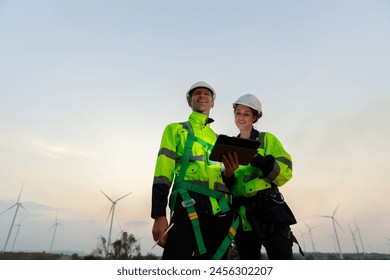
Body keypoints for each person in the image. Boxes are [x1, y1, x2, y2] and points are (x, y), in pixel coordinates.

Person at [151, 81, 237, 260]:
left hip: (219, 213)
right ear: (189, 102)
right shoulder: (175, 130)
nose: (202, 96)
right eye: (197, 93)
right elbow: (162, 173)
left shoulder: (219, 140)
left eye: (207, 94)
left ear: (212, 103)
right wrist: (159, 214)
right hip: (186, 207)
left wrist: (230, 175)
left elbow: (227, 181)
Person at [221, 93, 303, 260]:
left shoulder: (268, 140)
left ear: (255, 117)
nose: (241, 117)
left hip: (270, 211)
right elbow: (231, 186)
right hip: (242, 217)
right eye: (238, 113)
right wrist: (228, 175)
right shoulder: (229, 146)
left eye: (246, 114)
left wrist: (257, 159)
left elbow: (285, 173)